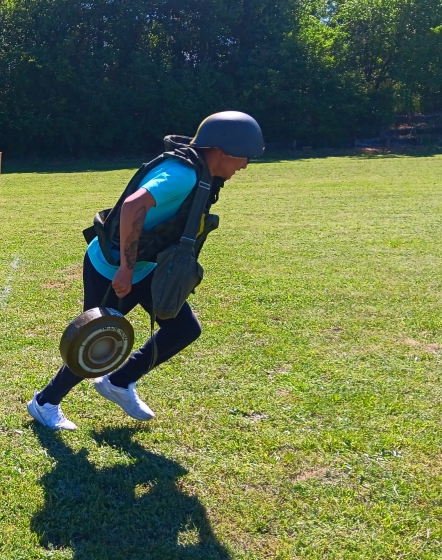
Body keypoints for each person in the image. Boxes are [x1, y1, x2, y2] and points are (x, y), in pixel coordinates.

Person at [28, 112, 265, 430]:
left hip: (146, 265)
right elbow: (133, 205)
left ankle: (119, 382)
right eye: (244, 156)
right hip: (111, 267)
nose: (245, 165)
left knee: (183, 328)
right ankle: (44, 403)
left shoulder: (199, 171)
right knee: (96, 337)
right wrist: (126, 269)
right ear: (222, 151)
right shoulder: (183, 175)